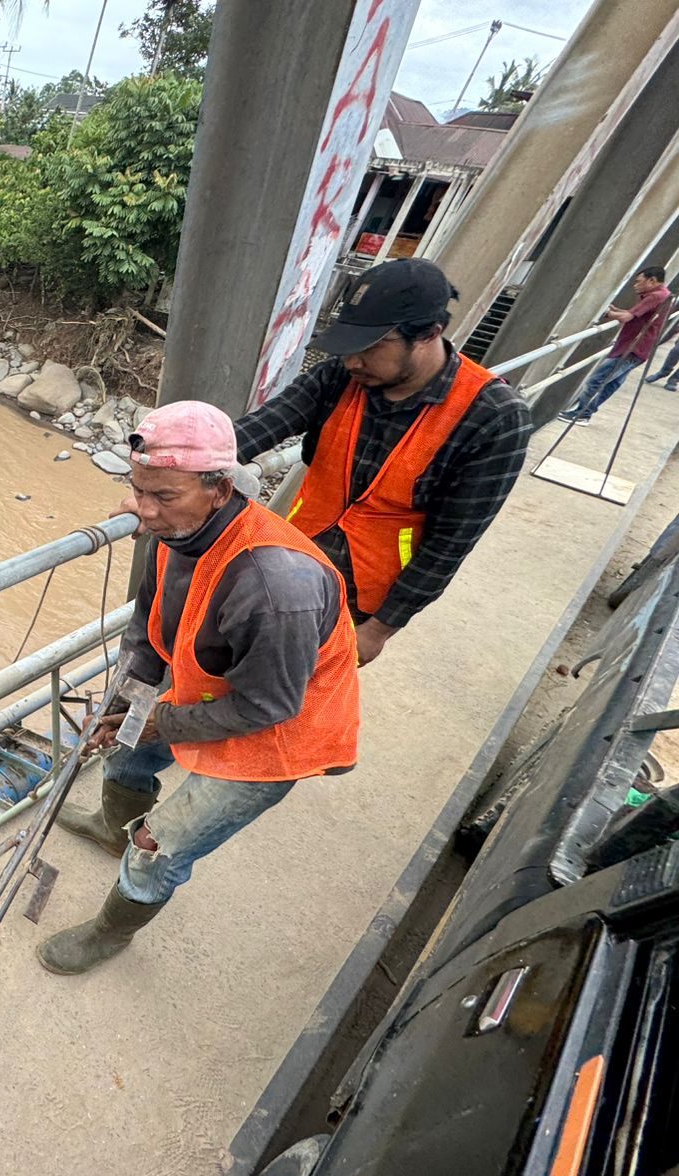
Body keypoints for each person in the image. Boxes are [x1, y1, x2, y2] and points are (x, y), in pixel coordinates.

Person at [39, 402, 360, 976]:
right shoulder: (177, 532)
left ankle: (112, 931)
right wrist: (127, 701)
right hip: (216, 691)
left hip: (277, 733)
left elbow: (269, 706)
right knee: (127, 747)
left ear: (221, 488)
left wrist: (163, 720)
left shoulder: (274, 584)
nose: (145, 511)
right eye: (140, 492)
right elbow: (149, 618)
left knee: (159, 846)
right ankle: (114, 828)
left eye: (164, 497)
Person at [234, 257, 530, 668]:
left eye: (371, 348)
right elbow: (256, 430)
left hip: (360, 598)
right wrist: (165, 481)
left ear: (429, 334)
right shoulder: (340, 377)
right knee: (228, 654)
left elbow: (450, 544)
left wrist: (378, 630)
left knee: (287, 689)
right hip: (288, 556)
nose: (353, 362)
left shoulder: (492, 417)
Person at [560, 265, 673, 419]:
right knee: (613, 383)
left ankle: (582, 414)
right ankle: (585, 412)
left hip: (632, 348)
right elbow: (638, 315)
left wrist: (608, 313)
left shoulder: (655, 296)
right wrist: (617, 311)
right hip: (641, 349)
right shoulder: (664, 294)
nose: (635, 285)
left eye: (639, 281)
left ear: (652, 281)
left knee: (597, 380)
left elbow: (627, 318)